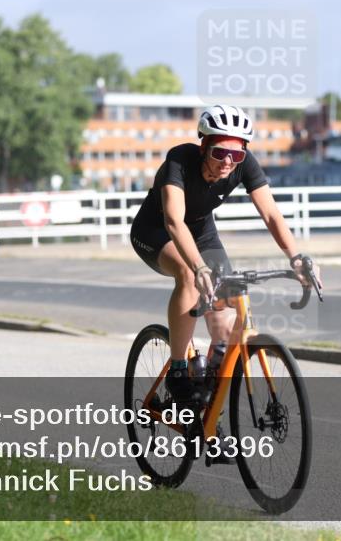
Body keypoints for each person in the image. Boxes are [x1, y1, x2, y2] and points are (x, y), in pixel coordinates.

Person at [130, 104, 321, 403]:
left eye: (237, 154)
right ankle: (178, 369)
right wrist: (199, 268)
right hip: (156, 231)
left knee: (226, 318)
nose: (228, 161)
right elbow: (174, 221)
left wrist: (296, 257)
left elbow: (270, 214)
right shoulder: (179, 160)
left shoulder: (244, 164)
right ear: (204, 146)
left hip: (203, 233)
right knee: (189, 276)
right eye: (220, 152)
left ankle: (209, 417)